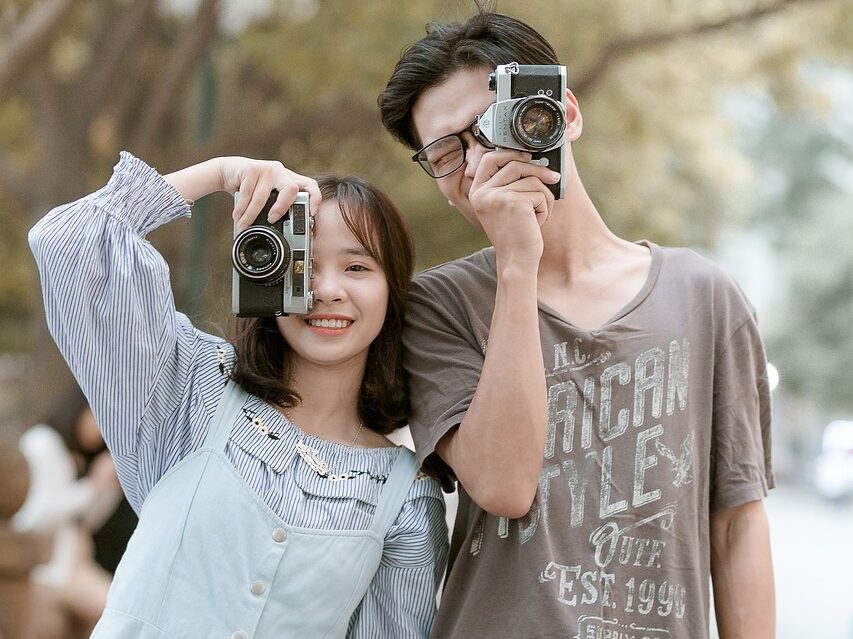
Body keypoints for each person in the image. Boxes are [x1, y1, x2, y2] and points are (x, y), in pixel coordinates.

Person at [378, 9, 774, 639]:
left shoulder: (706, 297)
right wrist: (516, 266)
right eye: (446, 153)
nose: (477, 163)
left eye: (490, 127)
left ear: (562, 113)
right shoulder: (436, 305)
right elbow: (504, 486)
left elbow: (736, 524)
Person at [29, 151, 448, 638]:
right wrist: (221, 173)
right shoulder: (192, 390)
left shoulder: (405, 498)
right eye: (303, 262)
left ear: (392, 291)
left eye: (357, 267)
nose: (328, 289)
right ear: (265, 275)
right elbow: (65, 242)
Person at [13, 383, 124, 637]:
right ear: (79, 408)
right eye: (98, 417)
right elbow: (34, 515)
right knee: (115, 614)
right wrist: (92, 486)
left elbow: (84, 522)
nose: (100, 430)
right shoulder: (42, 443)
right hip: (53, 567)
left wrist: (109, 488)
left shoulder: (73, 453)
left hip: (74, 562)